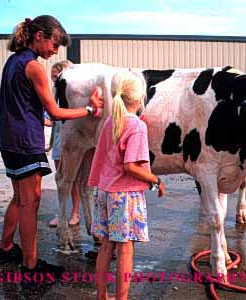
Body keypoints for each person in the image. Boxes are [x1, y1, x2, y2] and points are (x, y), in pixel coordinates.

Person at [0, 15, 103, 280]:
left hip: (7, 140)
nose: (56, 50)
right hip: (25, 142)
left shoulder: (12, 62)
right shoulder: (33, 66)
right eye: (54, 43)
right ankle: (31, 265)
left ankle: (6, 247)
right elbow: (54, 112)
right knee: (31, 203)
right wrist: (89, 109)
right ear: (39, 36)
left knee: (20, 198)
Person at [88, 71, 164, 300]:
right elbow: (131, 166)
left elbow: (101, 158)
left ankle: (102, 295)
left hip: (104, 191)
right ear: (140, 99)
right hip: (124, 196)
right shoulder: (137, 127)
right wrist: (156, 179)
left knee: (106, 246)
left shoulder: (111, 121)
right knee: (125, 248)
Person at [46, 60, 81, 227]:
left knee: (74, 180)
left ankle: (75, 213)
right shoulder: (54, 94)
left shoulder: (75, 95)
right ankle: (61, 213)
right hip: (59, 142)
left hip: (74, 142)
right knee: (61, 179)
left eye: (56, 77)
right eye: (53, 77)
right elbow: (48, 118)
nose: (54, 80)